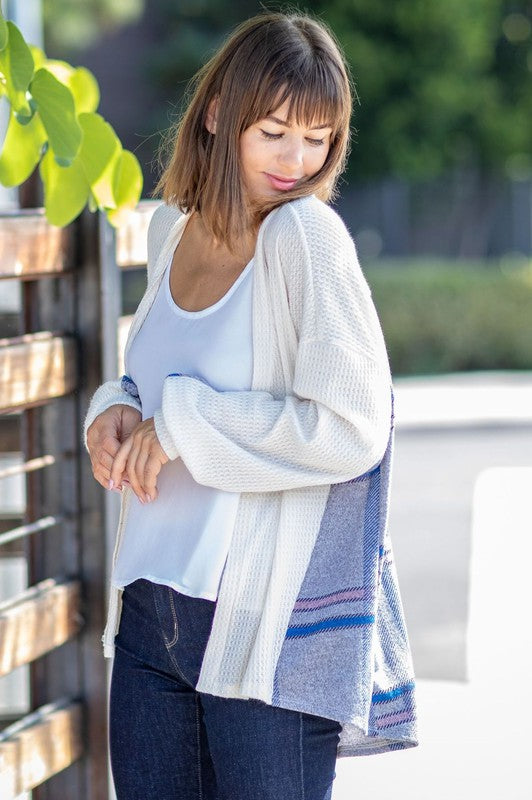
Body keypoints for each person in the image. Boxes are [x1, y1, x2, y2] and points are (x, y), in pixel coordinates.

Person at [84, 10, 418, 800]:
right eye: (274, 132)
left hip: (259, 631)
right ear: (217, 114)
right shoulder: (172, 229)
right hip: (149, 617)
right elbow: (151, 379)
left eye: (319, 138)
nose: (297, 161)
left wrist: (183, 431)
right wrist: (115, 411)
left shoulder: (306, 238)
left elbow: (351, 427)